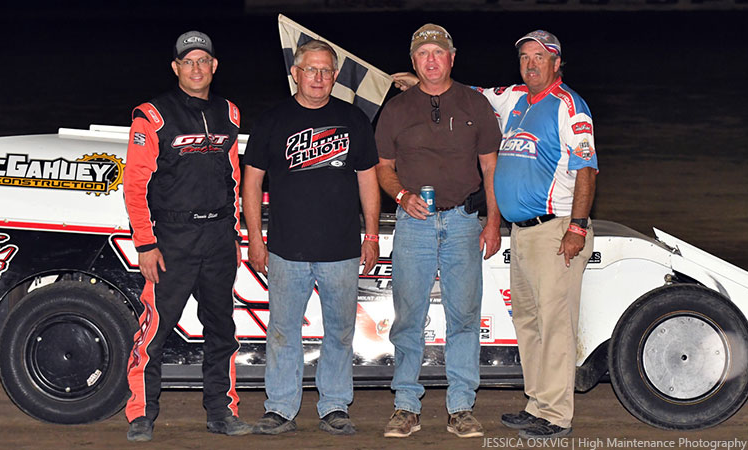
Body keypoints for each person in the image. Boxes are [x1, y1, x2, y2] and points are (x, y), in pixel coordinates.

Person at [242, 39, 380, 436]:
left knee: (340, 332)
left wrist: (371, 235)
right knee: (283, 332)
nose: (318, 78)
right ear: (295, 74)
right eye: (310, 70)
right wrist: (255, 238)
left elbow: (368, 180)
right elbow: (251, 183)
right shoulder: (272, 120)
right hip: (286, 249)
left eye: (325, 71)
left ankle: (334, 405)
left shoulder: (353, 119)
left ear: (334, 76)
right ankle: (280, 408)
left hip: (341, 249)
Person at [122, 30, 251, 441]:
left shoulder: (230, 113)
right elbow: (134, 185)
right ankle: (141, 414)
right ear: (176, 67)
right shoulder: (152, 115)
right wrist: (146, 244)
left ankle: (222, 412)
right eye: (188, 62)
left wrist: (233, 233)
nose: (196, 68)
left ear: (214, 66)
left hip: (218, 237)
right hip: (172, 238)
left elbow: (233, 179)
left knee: (222, 331)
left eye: (203, 61)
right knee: (154, 330)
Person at [375, 24, 502, 439]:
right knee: (408, 317)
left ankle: (461, 406)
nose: (431, 60)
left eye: (438, 52)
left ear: (452, 57)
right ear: (413, 61)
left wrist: (493, 222)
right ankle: (405, 405)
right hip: (413, 224)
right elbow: (383, 167)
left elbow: (490, 166)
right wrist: (401, 195)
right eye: (423, 53)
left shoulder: (475, 104)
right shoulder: (396, 109)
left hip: (463, 221)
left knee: (464, 317)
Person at [481, 30, 597, 439]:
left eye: (539, 57)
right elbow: (466, 94)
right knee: (529, 323)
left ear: (556, 63)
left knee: (555, 327)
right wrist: (419, 82)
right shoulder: (513, 99)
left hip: (557, 230)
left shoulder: (570, 106)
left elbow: (587, 170)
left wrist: (577, 227)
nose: (531, 64)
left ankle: (557, 414)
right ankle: (537, 403)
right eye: (525, 57)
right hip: (522, 233)